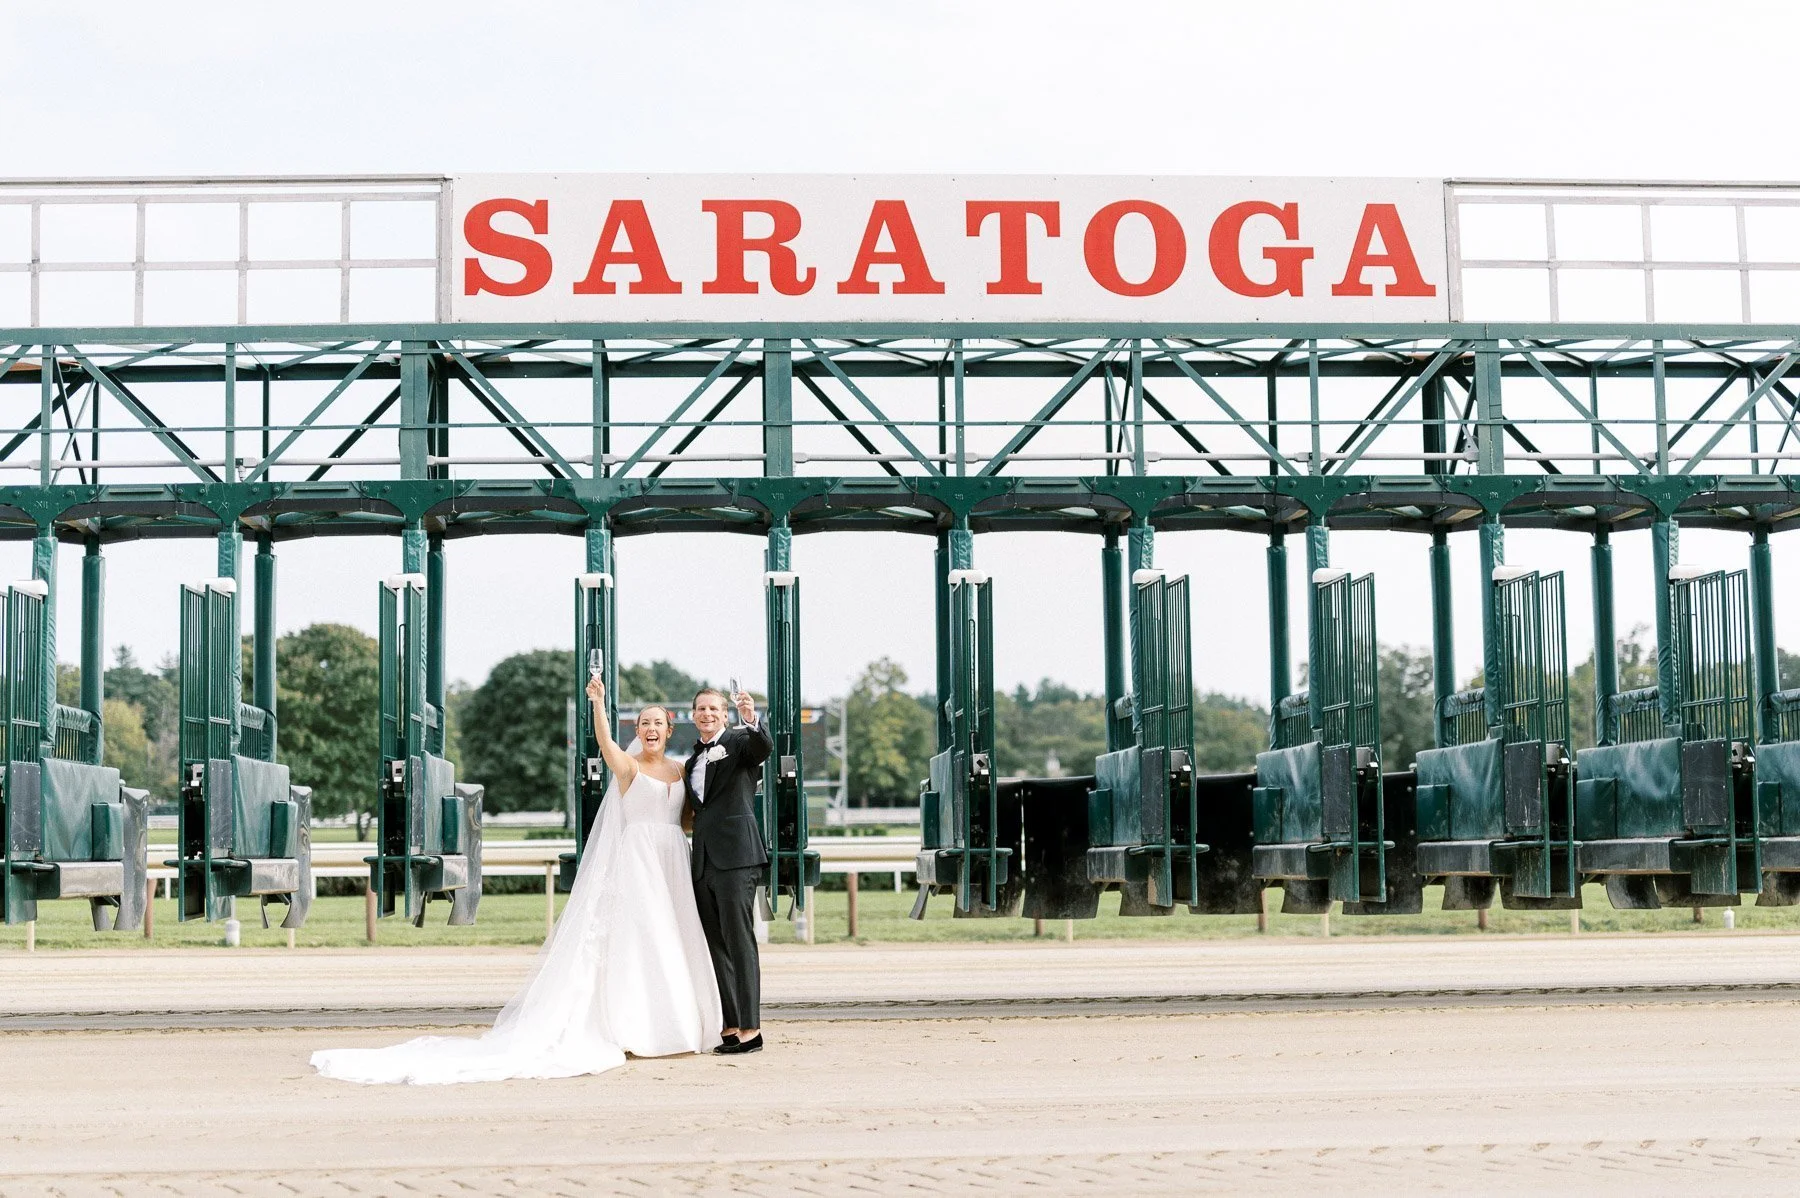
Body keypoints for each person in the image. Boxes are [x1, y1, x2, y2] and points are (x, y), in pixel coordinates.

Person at [309, 683, 721, 1084]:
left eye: (658, 723)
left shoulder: (680, 770)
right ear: (639, 731)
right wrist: (598, 704)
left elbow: (686, 818)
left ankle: (677, 1024)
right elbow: (605, 745)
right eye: (644, 723)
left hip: (671, 858)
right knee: (641, 937)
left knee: (674, 934)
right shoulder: (629, 767)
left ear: (669, 731)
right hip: (639, 860)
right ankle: (637, 1028)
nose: (651, 729)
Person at [686, 685, 773, 1054]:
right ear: (693, 716)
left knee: (740, 943)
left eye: (714, 709)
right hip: (704, 862)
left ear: (724, 715)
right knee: (716, 946)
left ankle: (752, 1030)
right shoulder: (691, 763)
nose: (707, 714)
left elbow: (762, 748)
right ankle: (731, 1024)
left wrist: (751, 719)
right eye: (701, 709)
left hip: (737, 857)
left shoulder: (739, 743)